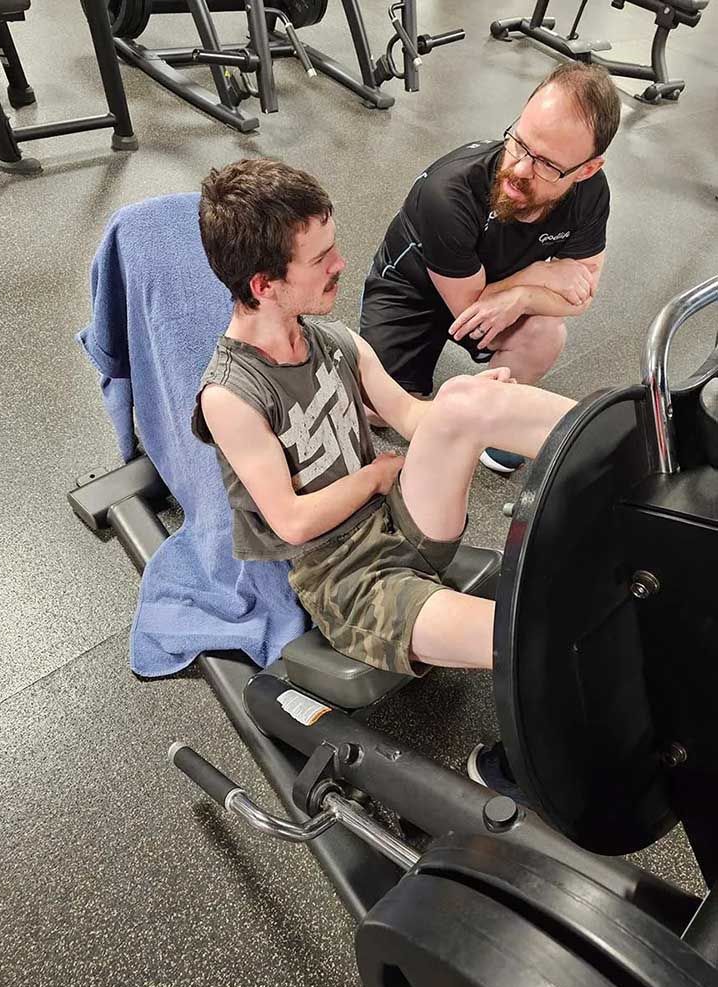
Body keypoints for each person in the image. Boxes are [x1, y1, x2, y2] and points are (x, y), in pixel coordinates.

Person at [192, 157, 575, 793]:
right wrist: (374, 477)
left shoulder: (334, 340)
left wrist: (474, 404)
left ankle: (639, 450)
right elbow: (290, 521)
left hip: (399, 520)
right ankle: (513, 770)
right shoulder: (230, 396)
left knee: (462, 398)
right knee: (534, 637)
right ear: (264, 284)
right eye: (321, 259)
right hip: (351, 579)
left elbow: (414, 418)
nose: (340, 264)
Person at [359, 61, 620, 474]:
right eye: (520, 143)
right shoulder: (448, 193)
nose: (519, 169)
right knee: (375, 410)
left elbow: (582, 292)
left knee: (546, 334)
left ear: (587, 170)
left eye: (548, 164)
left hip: (491, 292)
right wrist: (539, 276)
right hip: (414, 290)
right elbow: (470, 309)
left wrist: (523, 297)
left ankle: (493, 420)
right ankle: (459, 401)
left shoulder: (590, 193)